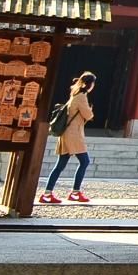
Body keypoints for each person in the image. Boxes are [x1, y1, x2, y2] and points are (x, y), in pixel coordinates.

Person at [39, 72, 96, 205]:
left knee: (60, 165)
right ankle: (75, 192)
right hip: (74, 134)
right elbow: (88, 115)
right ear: (90, 84)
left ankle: (47, 193)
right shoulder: (82, 97)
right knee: (85, 161)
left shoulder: (74, 94)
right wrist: (91, 110)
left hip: (68, 133)